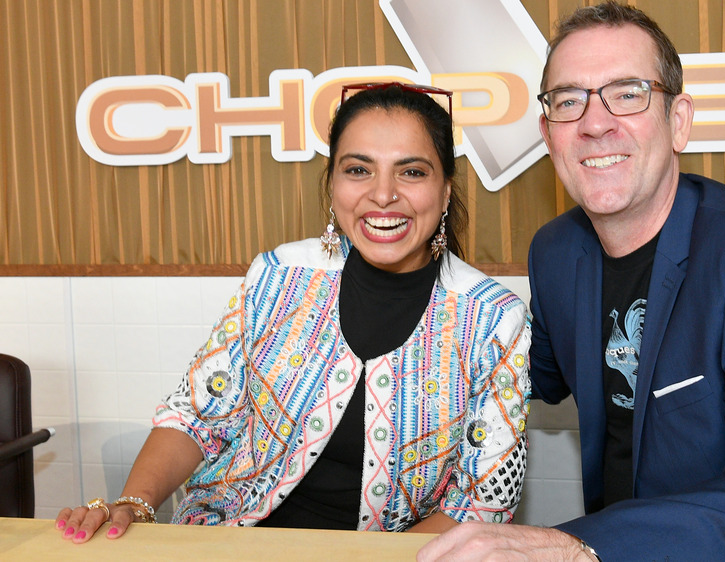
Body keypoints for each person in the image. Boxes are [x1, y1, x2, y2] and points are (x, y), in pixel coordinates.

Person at [418, 2, 725, 561]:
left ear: (677, 121)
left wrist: (576, 543)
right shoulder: (556, 251)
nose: (594, 121)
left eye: (627, 93)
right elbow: (516, 375)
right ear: (548, 133)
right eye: (568, 101)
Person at [55, 83, 531, 543]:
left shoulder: (493, 320)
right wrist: (134, 504)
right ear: (332, 185)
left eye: (411, 172)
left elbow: (481, 505)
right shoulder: (278, 275)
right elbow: (197, 417)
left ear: (446, 192)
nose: (383, 195)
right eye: (358, 170)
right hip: (231, 542)